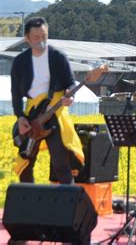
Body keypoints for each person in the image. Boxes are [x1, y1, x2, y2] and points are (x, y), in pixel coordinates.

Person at [11, 16, 84, 184]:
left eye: (44, 36)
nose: (41, 41)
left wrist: (70, 95)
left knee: (61, 164)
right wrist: (20, 117)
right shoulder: (20, 62)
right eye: (36, 38)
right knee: (25, 165)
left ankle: (69, 205)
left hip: (55, 115)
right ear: (27, 39)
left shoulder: (58, 57)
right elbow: (15, 94)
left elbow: (71, 83)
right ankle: (28, 204)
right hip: (31, 116)